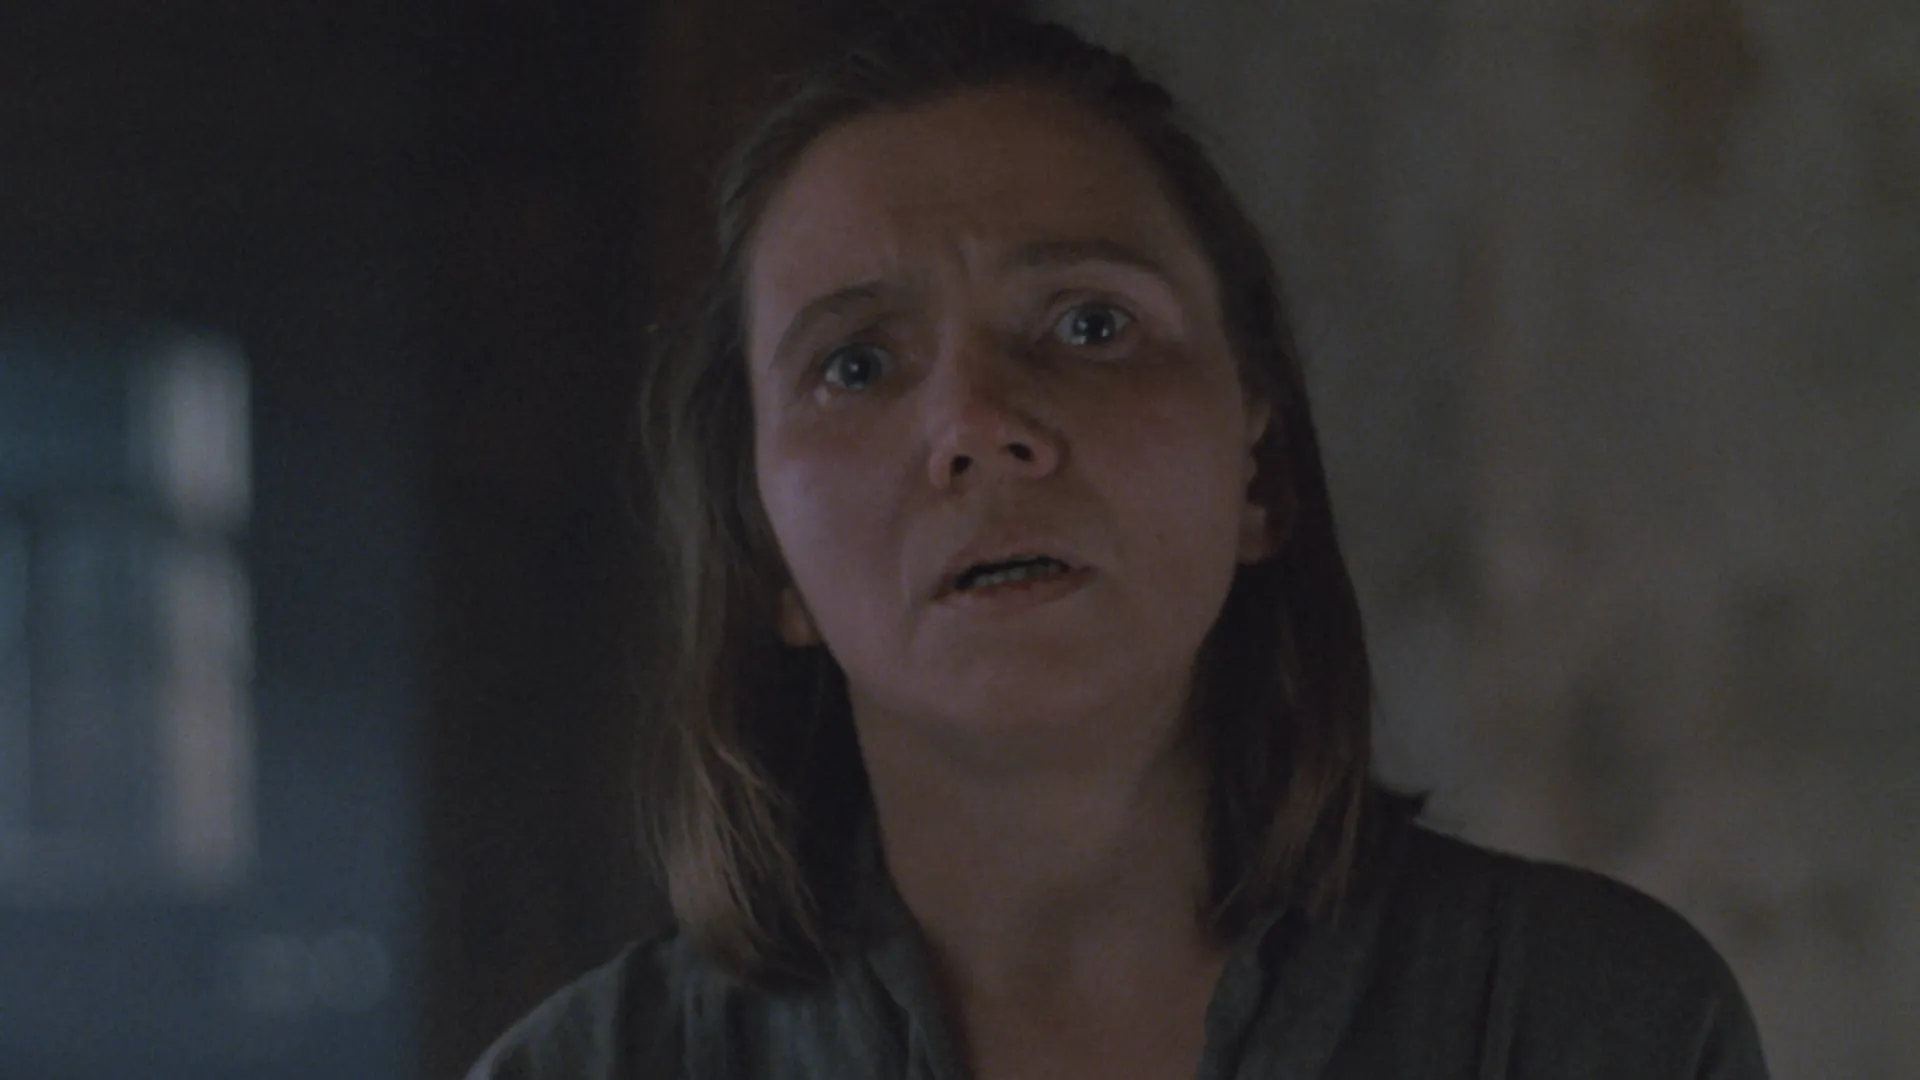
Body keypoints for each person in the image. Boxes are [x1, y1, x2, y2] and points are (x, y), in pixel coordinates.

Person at [468, 10, 1769, 1079]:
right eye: (855, 364)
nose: (979, 425)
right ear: (764, 553)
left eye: (1090, 325)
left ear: (1260, 470)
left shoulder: (1583, 1027)